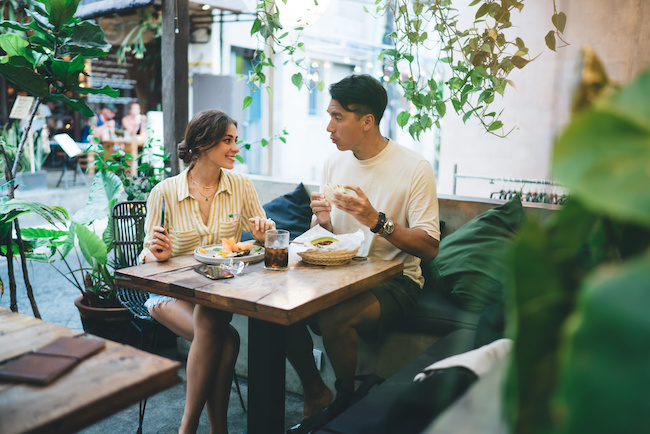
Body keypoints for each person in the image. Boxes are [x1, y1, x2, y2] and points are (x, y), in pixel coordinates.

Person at [287, 74, 441, 432]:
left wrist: (376, 221)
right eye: (329, 115)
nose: (329, 127)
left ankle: (345, 406)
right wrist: (322, 223)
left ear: (367, 121)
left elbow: (430, 246)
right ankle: (315, 392)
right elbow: (329, 239)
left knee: (334, 315)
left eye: (338, 117)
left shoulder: (414, 168)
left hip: (396, 280)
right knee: (278, 311)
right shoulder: (333, 163)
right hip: (340, 273)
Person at [139, 109, 275, 434]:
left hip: (219, 291)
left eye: (235, 141)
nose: (235, 149)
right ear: (203, 143)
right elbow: (146, 258)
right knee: (224, 337)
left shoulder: (241, 185)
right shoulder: (165, 192)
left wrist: (262, 234)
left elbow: (267, 236)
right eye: (227, 140)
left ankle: (197, 428)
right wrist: (157, 254)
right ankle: (204, 427)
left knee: (216, 323)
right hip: (170, 293)